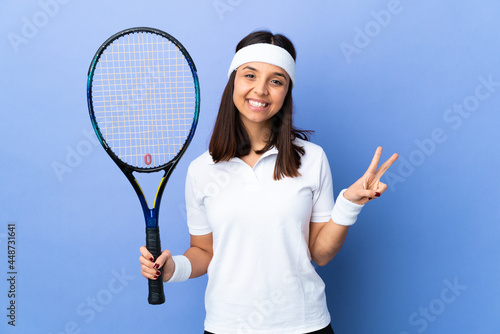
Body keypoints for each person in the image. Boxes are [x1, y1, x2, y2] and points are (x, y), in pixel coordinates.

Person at [139, 30, 398, 334]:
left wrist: (349, 204)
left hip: (304, 324)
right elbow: (205, 252)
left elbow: (321, 254)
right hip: (227, 326)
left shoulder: (312, 159)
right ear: (233, 81)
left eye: (276, 81)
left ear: (286, 93)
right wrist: (173, 269)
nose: (260, 90)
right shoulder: (202, 169)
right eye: (250, 75)